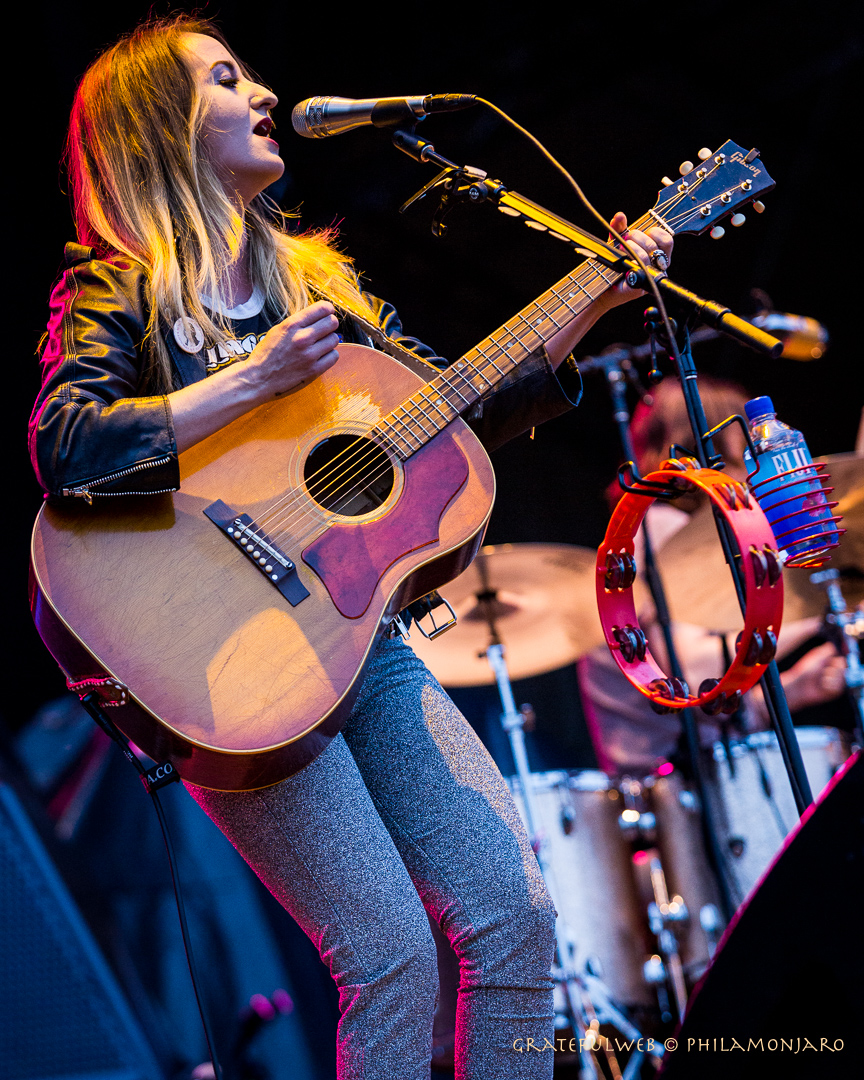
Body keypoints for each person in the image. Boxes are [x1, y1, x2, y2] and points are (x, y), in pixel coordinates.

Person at [28, 16, 673, 1079]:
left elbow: (455, 406)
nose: (266, 90)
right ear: (158, 127)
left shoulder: (320, 285)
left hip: (355, 638)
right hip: (223, 657)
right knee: (390, 957)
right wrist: (250, 383)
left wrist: (598, 290)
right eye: (228, 78)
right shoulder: (119, 283)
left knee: (513, 915)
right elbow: (67, 446)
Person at [580, 375, 847, 776]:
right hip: (669, 789)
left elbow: (713, 703)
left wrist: (796, 685)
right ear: (722, 446)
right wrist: (820, 612)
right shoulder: (659, 530)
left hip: (692, 764)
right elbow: (694, 675)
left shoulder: (681, 532)